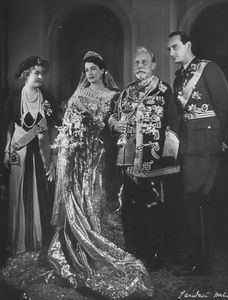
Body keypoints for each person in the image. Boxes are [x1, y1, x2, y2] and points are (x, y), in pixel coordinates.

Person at [46, 51, 154, 299]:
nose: (90, 73)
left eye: (94, 68)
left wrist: (103, 122)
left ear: (103, 71)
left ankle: (96, 249)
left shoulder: (114, 96)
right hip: (73, 154)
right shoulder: (77, 94)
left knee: (93, 199)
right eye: (86, 69)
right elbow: (67, 122)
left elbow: (113, 125)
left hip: (96, 154)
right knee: (72, 199)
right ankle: (72, 249)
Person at [167, 31, 228, 276]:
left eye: (175, 47)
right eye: (169, 49)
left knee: (197, 200)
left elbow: (225, 105)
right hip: (188, 146)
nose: (172, 52)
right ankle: (197, 256)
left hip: (205, 144)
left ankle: (200, 261)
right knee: (193, 202)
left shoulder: (208, 69)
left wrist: (221, 140)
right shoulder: (178, 78)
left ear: (188, 45)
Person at [108, 46, 179, 271]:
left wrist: (167, 158)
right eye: (137, 62)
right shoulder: (126, 91)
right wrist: (114, 124)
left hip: (153, 158)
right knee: (131, 205)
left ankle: (156, 252)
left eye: (144, 62)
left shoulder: (164, 90)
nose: (140, 66)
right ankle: (135, 250)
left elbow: (173, 122)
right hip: (128, 159)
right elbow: (113, 116)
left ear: (154, 65)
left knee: (154, 206)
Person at [2, 56, 56, 255]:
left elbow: (52, 129)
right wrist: (6, 151)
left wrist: (53, 156)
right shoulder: (15, 97)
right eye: (36, 73)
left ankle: (38, 241)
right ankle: (18, 241)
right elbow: (9, 126)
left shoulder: (48, 96)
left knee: (40, 192)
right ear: (26, 75)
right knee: (17, 194)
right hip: (19, 151)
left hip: (40, 153)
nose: (41, 76)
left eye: (42, 73)